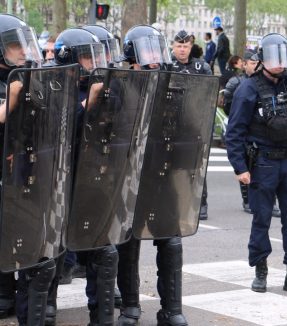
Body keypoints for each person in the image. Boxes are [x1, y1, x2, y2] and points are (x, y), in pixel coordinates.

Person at [225, 33, 287, 297]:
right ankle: (260, 269)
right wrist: (240, 167)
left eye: (283, 57)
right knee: (261, 219)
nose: (279, 64)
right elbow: (234, 133)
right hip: (262, 164)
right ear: (263, 59)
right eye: (274, 58)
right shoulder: (248, 88)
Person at [116, 24, 188, 326]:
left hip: (162, 175)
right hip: (129, 178)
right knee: (127, 242)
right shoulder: (119, 86)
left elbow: (192, 133)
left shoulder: (173, 86)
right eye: (148, 51)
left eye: (157, 50)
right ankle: (130, 306)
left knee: (170, 242)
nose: (155, 58)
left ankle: (171, 310)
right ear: (133, 54)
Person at [51, 27, 116, 326]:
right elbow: (58, 128)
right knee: (51, 250)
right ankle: (46, 307)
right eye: (88, 58)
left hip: (95, 177)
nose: (94, 63)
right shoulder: (54, 86)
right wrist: (87, 102)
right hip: (61, 180)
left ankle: (101, 316)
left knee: (103, 251)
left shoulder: (102, 87)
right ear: (72, 58)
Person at [0, 14, 57, 326]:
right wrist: (11, 99)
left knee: (39, 260)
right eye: (13, 46)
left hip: (24, 181)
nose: (23, 52)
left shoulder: (31, 79)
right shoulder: (12, 85)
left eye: (24, 45)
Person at [223, 50, 281, 217]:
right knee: (245, 162)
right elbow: (227, 105)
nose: (255, 66)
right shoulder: (236, 82)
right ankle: (247, 199)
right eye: (252, 63)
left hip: (259, 129)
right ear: (245, 64)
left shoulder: (266, 82)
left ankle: (270, 200)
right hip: (241, 125)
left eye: (258, 63)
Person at [171, 29, 211, 220]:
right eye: (179, 46)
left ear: (191, 47)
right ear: (173, 46)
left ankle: (201, 202)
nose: (182, 50)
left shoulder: (201, 68)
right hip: (171, 125)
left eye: (185, 46)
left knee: (196, 167)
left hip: (195, 124)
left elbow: (208, 95)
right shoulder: (167, 66)